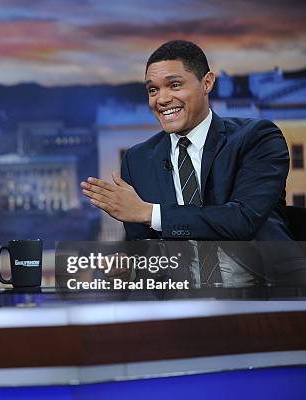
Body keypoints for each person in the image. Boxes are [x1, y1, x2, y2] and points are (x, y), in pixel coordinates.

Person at [81, 40, 305, 286]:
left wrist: (150, 212)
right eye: (153, 90)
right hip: (180, 301)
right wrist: (131, 268)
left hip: (267, 296)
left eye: (174, 85)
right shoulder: (138, 160)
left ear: (207, 83)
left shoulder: (256, 138)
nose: (162, 99)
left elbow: (242, 220)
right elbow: (146, 252)